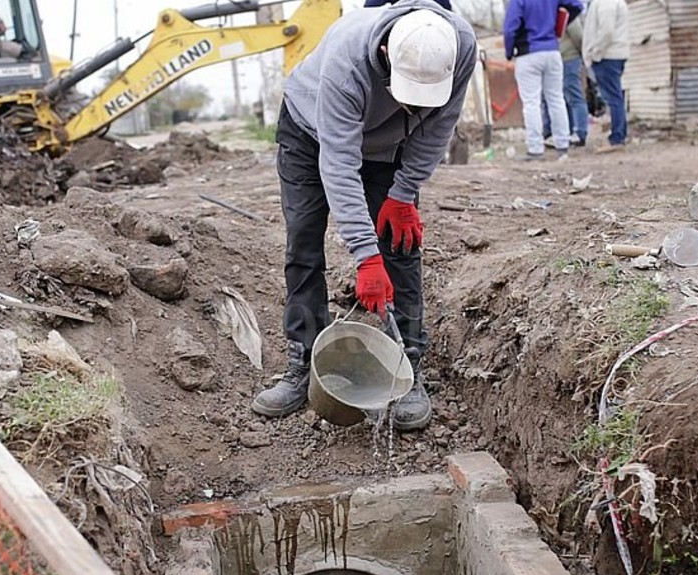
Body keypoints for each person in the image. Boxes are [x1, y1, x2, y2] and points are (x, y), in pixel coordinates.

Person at [250, 1, 477, 432]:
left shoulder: (461, 45)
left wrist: (404, 193)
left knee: (401, 246)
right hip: (310, 133)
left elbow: (440, 127)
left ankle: (407, 369)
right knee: (303, 240)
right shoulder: (348, 57)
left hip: (389, 147)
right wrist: (365, 258)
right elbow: (338, 165)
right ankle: (304, 365)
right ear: (388, 54)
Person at [504, 0, 583, 160]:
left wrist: (509, 51)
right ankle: (563, 144)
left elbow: (509, 28)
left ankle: (535, 148)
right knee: (556, 99)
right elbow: (577, 5)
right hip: (552, 51)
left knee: (531, 102)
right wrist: (560, 24)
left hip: (528, 53)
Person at [583, 0, 630, 152]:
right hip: (613, 53)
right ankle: (617, 135)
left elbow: (607, 31)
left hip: (608, 55)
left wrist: (595, 53)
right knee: (615, 96)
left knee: (613, 97)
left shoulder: (606, 3)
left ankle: (617, 138)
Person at [541, 17, 588, 147]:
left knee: (573, 95)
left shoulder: (565, 11)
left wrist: (582, 53)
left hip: (569, 57)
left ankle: (580, 131)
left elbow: (578, 35)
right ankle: (567, 131)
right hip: (558, 58)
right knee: (561, 98)